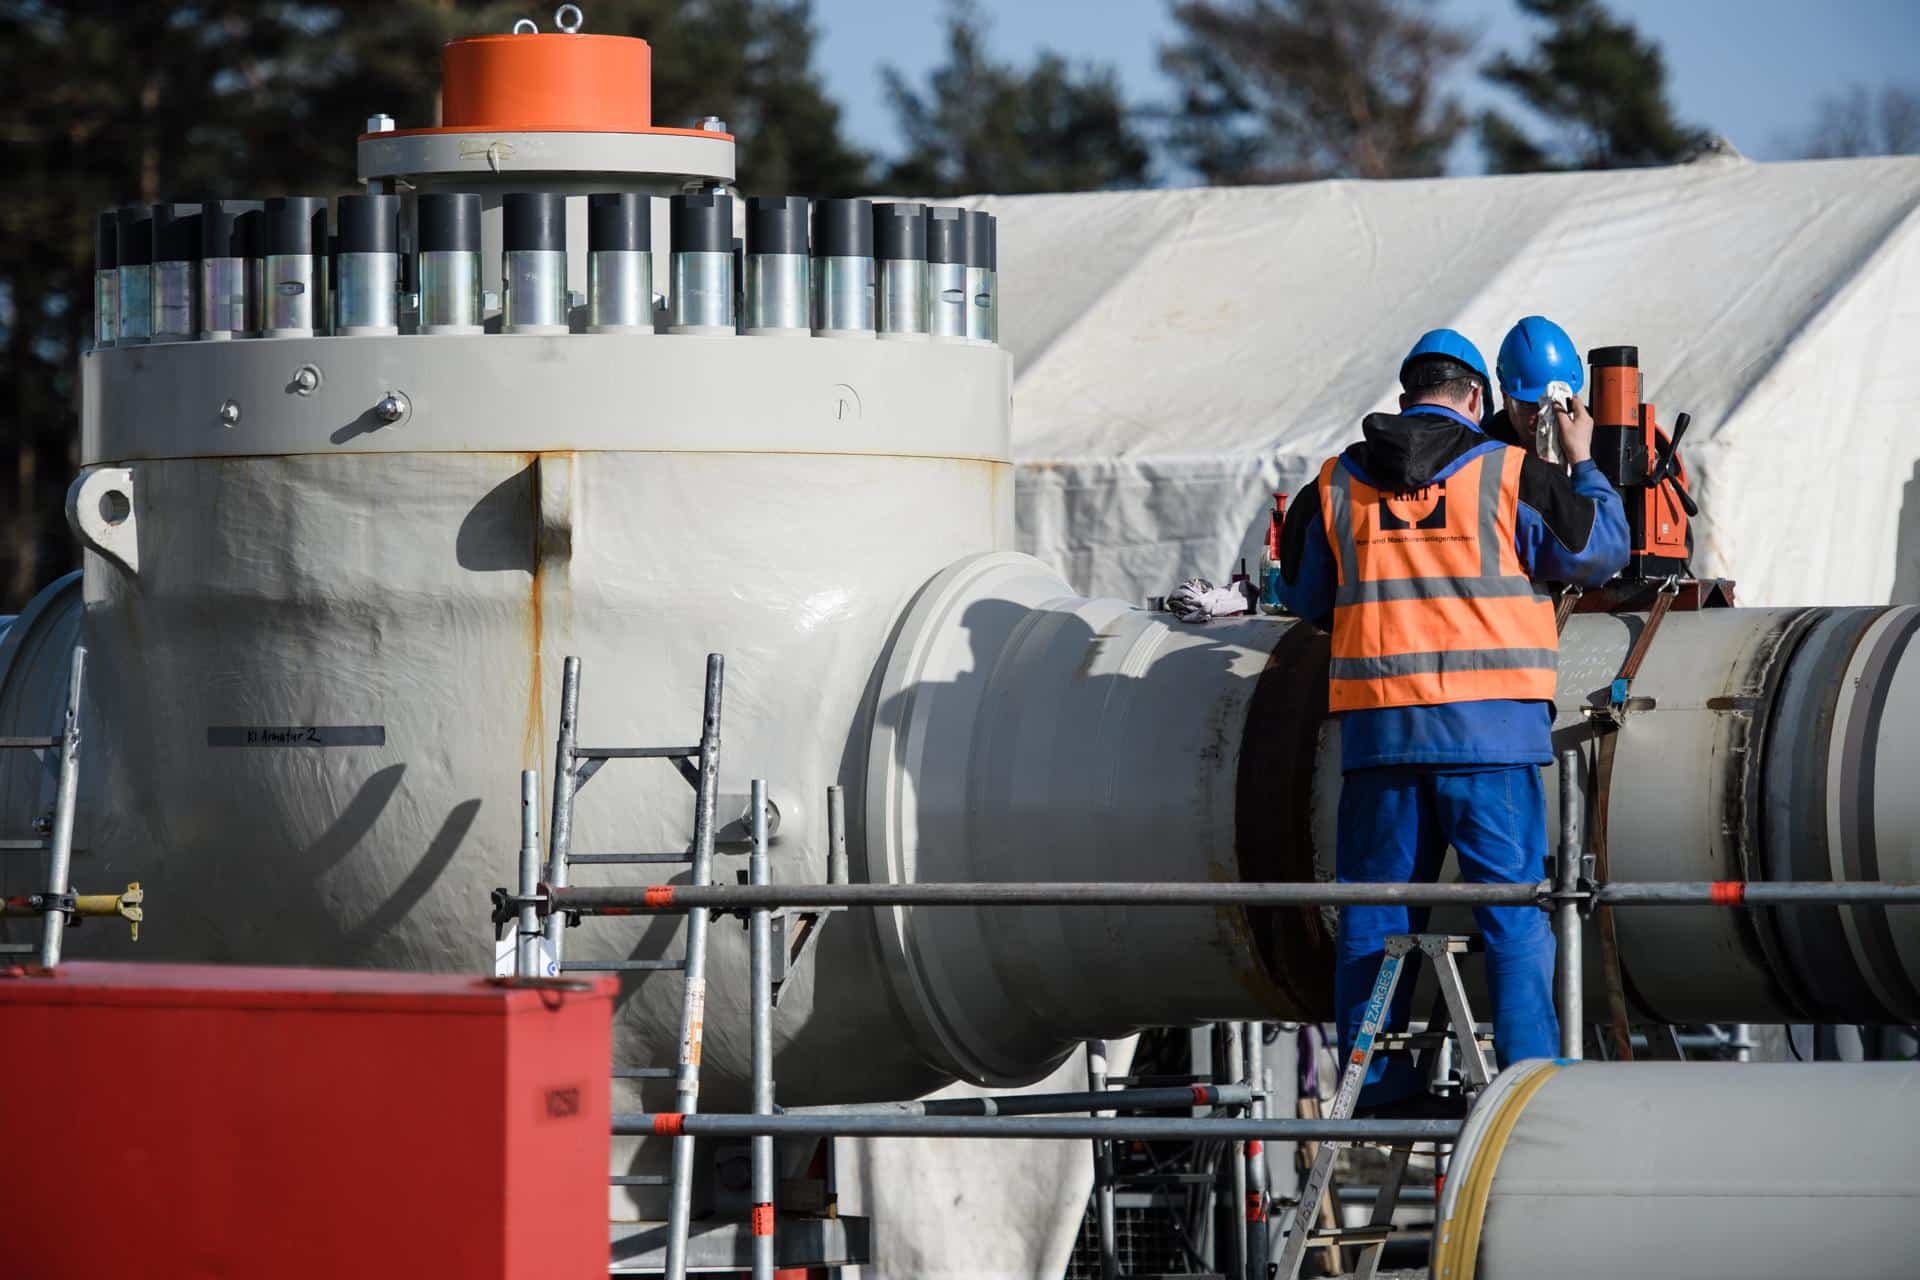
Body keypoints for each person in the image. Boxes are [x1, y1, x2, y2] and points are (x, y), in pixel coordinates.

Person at [1276, 328, 1629, 1114]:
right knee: (1510, 915)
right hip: (1490, 737)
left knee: (1376, 913)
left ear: (1406, 396)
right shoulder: (1514, 474)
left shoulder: (1333, 486)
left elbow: (1303, 599)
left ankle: (1374, 1085)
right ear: (1478, 399)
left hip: (1379, 741)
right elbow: (1604, 550)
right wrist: (1584, 459)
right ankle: (1525, 1090)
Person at [1487, 315, 1584, 456]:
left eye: (1556, 402)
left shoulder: (1601, 441)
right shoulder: (1486, 454)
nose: (1544, 415)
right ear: (1505, 397)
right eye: (1530, 405)